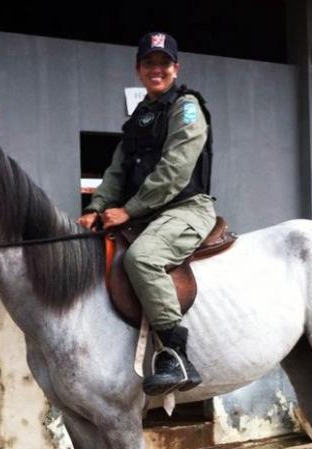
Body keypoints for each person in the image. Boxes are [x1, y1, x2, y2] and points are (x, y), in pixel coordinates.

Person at [77, 31, 216, 396]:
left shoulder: (186, 108)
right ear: (139, 69)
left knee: (142, 258)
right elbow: (116, 171)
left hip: (186, 207)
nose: (157, 70)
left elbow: (175, 170)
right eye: (149, 64)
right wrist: (95, 207)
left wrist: (129, 210)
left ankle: (175, 354)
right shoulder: (140, 116)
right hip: (148, 214)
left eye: (163, 64)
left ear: (175, 68)